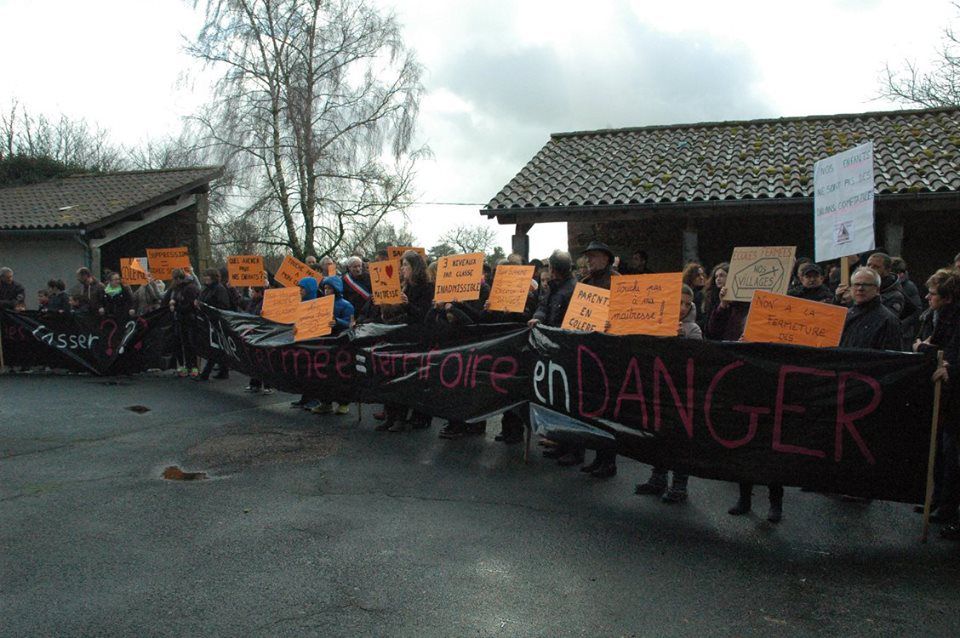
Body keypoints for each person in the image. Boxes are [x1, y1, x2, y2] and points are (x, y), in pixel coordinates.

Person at [635, 285, 702, 503]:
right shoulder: (658, 322)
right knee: (659, 434)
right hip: (659, 387)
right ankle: (658, 478)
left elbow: (700, 357)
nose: (682, 307)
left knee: (681, 439)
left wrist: (682, 340)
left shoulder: (693, 329)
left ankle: (679, 485)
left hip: (682, 392)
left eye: (686, 304)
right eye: (679, 302)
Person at [913, 269, 960, 536]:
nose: (928, 297)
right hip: (950, 397)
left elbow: (951, 352)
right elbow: (940, 344)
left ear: (948, 297)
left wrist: (949, 366)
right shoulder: (943, 316)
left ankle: (949, 508)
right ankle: (942, 503)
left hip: (957, 395)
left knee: (953, 454)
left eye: (932, 293)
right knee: (945, 453)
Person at [376, 250, 434, 432]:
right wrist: (384, 304)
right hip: (398, 336)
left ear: (415, 267)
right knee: (390, 377)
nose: (402, 269)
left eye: (406, 265)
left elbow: (425, 316)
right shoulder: (403, 286)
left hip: (415, 339)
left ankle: (402, 418)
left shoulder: (427, 287)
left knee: (406, 380)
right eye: (402, 265)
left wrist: (407, 304)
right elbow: (394, 314)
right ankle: (390, 416)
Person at [529, 251, 579, 463]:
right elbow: (543, 306)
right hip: (553, 349)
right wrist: (538, 319)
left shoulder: (573, 290)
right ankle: (561, 442)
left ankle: (574, 450)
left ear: (553, 269)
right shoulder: (554, 288)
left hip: (567, 351)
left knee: (570, 401)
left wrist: (551, 330)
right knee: (557, 399)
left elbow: (573, 321)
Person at [577, 241, 619, 476]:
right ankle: (597, 456)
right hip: (589, 354)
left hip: (609, 355)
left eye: (594, 257)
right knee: (593, 409)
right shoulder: (585, 284)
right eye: (588, 257)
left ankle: (609, 461)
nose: (589, 261)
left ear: (606, 259)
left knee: (608, 411)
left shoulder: (618, 282)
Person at [311, 275, 356, 416]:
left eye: (329, 288)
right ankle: (325, 402)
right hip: (323, 343)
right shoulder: (320, 303)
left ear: (336, 289)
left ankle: (343, 403)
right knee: (322, 374)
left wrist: (337, 322)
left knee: (339, 374)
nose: (326, 290)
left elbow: (351, 325)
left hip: (339, 345)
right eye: (325, 287)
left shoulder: (346, 305)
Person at [838, 267, 902, 350]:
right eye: (856, 284)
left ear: (877, 290)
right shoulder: (845, 315)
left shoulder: (887, 320)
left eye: (866, 285)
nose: (860, 289)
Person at [196, 268, 233, 381]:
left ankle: (206, 373)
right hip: (208, 321)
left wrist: (205, 306)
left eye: (206, 276)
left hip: (216, 322)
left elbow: (223, 305)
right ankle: (223, 370)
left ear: (212, 277)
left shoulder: (219, 289)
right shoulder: (207, 289)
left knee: (215, 348)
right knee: (217, 348)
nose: (204, 278)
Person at [163, 269, 200, 378]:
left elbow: (191, 305)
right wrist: (173, 300)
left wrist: (176, 307)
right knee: (185, 345)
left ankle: (195, 368)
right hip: (182, 319)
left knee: (192, 344)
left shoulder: (190, 288)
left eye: (175, 279)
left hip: (190, 319)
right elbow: (177, 298)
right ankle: (188, 367)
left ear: (179, 278)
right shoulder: (180, 288)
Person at [243, 286, 273, 395]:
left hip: (264, 335)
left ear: (260, 292)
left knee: (264, 361)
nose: (251, 293)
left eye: (253, 291)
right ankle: (254, 383)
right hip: (254, 335)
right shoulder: (252, 302)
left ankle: (267, 386)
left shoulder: (266, 302)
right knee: (254, 361)